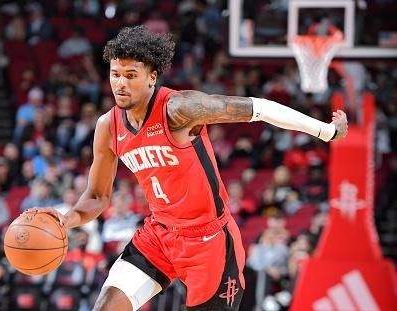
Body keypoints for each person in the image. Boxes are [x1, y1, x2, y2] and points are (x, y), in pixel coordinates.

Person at [26, 25, 348, 311]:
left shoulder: (179, 109)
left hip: (209, 241)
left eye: (131, 75)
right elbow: (97, 195)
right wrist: (68, 218)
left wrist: (325, 131)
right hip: (159, 235)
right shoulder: (108, 126)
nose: (120, 84)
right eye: (115, 74)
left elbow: (258, 109)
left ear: (152, 76)